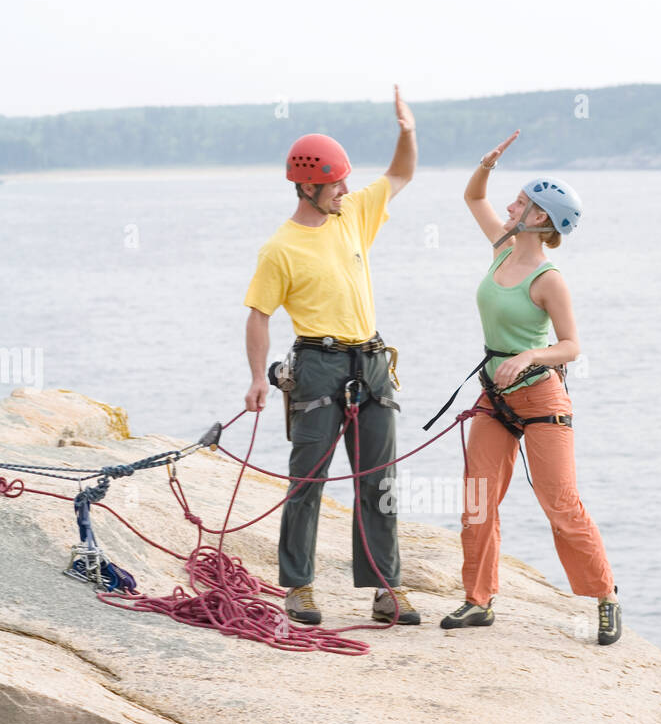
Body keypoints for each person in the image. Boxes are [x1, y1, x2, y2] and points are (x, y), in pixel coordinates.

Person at [243, 86, 421, 626]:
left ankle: (386, 587)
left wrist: (407, 133)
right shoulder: (280, 247)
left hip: (370, 364)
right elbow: (258, 315)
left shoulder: (353, 214)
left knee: (379, 479)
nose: (345, 188)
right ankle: (298, 587)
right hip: (317, 365)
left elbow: (401, 175)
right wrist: (257, 377)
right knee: (308, 480)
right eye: (334, 183)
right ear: (307, 187)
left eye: (344, 180)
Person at [440, 130, 622, 644]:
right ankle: (478, 600)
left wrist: (527, 357)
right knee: (478, 498)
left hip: (541, 396)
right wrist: (487, 162)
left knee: (560, 503)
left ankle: (605, 596)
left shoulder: (548, 278)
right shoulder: (501, 248)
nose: (510, 205)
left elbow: (571, 346)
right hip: (494, 396)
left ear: (539, 217)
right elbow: (473, 196)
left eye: (520, 202)